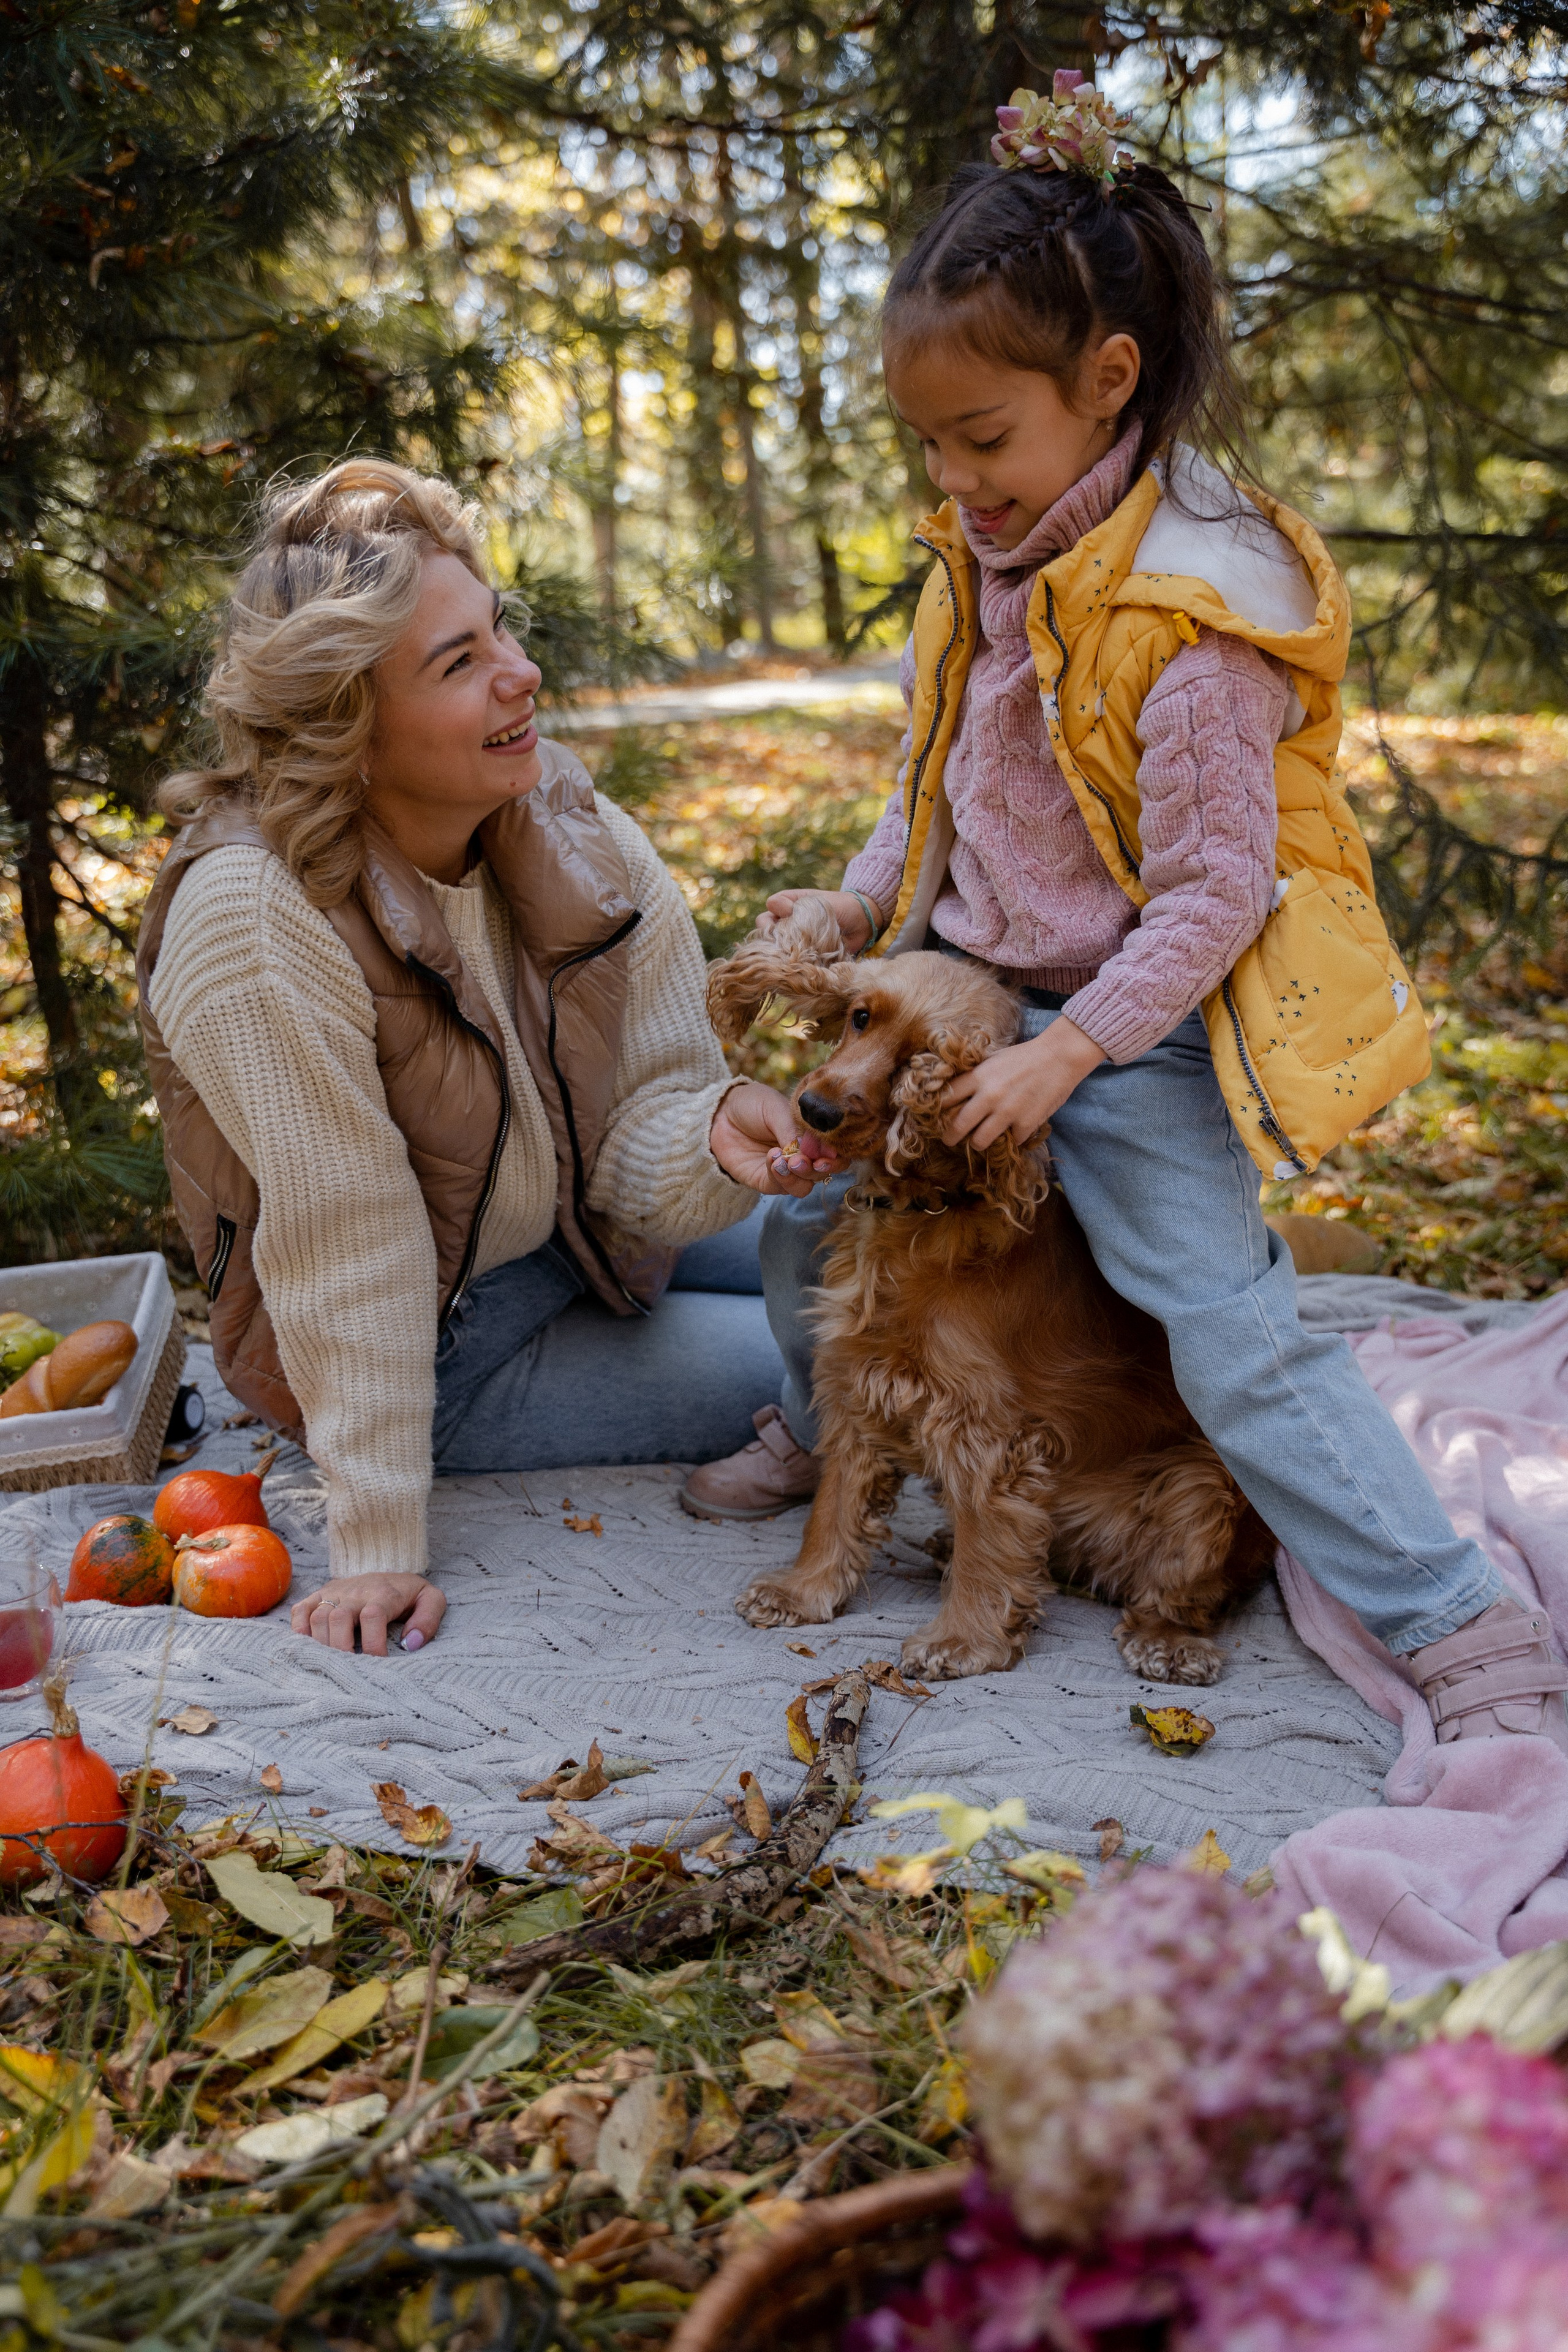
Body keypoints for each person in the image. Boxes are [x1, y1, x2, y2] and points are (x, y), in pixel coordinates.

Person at [682, 74, 1567, 1748]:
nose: (954, 480)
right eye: (928, 446)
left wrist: (1071, 1054)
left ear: (1109, 383)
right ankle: (830, 1434)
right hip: (968, 996)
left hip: (1131, 1028)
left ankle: (1449, 1614)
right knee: (806, 1220)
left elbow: (1221, 894)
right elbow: (923, 786)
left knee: (1227, 1321)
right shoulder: (979, 572)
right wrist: (853, 910)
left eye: (984, 439)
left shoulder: (1193, 617)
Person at [137, 459, 836, 1656]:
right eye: (458, 664)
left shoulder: (563, 826)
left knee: (875, 1234)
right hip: (430, 1340)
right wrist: (375, 1551)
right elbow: (347, 1244)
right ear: (346, 716)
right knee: (830, 1370)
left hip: (577, 1232)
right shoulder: (255, 918)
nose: (519, 673)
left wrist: (713, 1135)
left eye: (494, 627)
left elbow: (641, 1120)